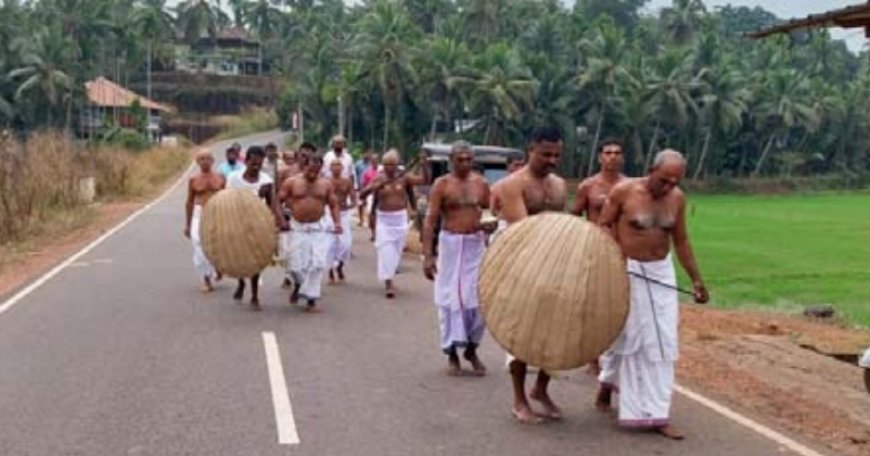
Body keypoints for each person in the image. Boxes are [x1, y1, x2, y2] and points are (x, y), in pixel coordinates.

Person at [596, 149, 709, 440]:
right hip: (628, 270)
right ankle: (607, 385)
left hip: (661, 272)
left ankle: (656, 413)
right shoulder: (624, 192)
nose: (668, 186)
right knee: (627, 337)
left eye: (675, 181)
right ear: (650, 170)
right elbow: (603, 225)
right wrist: (617, 256)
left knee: (662, 342)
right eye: (664, 180)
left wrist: (696, 280)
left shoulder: (677, 199)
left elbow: (681, 240)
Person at [491, 126, 568, 424]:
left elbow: (564, 224)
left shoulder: (560, 185)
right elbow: (526, 230)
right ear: (531, 150)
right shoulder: (513, 185)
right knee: (522, 334)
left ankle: (541, 389)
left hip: (555, 264)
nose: (551, 160)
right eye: (546, 154)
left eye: (557, 155)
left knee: (557, 332)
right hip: (522, 264)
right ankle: (519, 399)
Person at [422, 141, 496, 376]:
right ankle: (452, 353)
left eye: (469, 159)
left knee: (479, 302)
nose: (465, 163)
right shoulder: (441, 185)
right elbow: (431, 220)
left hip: (475, 246)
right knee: (450, 301)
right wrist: (428, 255)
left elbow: (488, 214)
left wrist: (490, 226)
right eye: (460, 159)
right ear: (451, 161)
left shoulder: (481, 184)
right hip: (451, 245)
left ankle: (472, 349)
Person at [572, 138, 628, 376]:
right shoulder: (588, 186)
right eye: (608, 152)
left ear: (622, 157)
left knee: (618, 303)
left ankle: (615, 353)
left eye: (617, 152)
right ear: (600, 157)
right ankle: (593, 355)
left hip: (622, 252)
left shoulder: (631, 186)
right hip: (594, 252)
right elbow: (574, 215)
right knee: (593, 305)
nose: (612, 156)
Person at [360, 149, 429, 298]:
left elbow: (424, 180)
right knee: (386, 251)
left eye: (392, 164)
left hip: (400, 219)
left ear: (397, 165)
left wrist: (424, 164)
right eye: (386, 164)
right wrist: (373, 188)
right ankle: (388, 283)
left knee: (396, 252)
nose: (389, 168)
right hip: (384, 220)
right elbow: (362, 194)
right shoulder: (379, 178)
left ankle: (390, 275)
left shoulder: (404, 178)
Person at [278, 154, 342, 312]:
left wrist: (338, 223)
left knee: (317, 263)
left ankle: (311, 300)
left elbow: (333, 205)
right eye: (311, 168)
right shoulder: (292, 182)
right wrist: (281, 221)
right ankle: (299, 285)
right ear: (304, 166)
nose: (313, 172)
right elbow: (278, 201)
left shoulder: (325, 184)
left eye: (317, 169)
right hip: (297, 227)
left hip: (318, 228)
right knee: (293, 264)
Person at [226, 146, 281, 311]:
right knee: (239, 258)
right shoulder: (234, 178)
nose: (257, 166)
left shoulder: (266, 180)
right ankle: (241, 282)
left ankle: (255, 296)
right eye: (254, 163)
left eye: (260, 163)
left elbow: (273, 203)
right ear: (247, 160)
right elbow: (226, 199)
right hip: (238, 221)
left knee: (256, 260)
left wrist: (277, 222)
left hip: (258, 224)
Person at [184, 148, 225, 292]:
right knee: (198, 244)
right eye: (201, 159)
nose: (205, 161)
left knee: (216, 244)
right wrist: (188, 224)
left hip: (217, 212)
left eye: (208, 158)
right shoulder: (193, 180)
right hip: (199, 213)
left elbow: (227, 198)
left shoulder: (221, 177)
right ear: (197, 162)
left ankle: (217, 267)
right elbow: (189, 202)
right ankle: (206, 278)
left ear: (213, 160)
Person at [327, 158, 357, 283]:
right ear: (330, 168)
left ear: (342, 168)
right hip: (329, 213)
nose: (336, 167)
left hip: (343, 214)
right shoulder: (325, 182)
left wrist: (350, 206)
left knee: (346, 244)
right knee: (330, 244)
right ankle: (330, 272)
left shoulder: (347, 182)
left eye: (339, 165)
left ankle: (339, 266)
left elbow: (354, 199)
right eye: (334, 165)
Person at [361, 153, 380, 239]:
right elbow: (364, 185)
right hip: (371, 196)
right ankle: (373, 233)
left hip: (381, 196)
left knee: (379, 215)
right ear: (371, 161)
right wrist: (364, 198)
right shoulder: (367, 172)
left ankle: (378, 233)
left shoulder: (382, 170)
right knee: (370, 214)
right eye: (373, 160)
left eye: (376, 160)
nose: (374, 162)